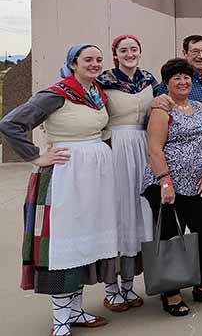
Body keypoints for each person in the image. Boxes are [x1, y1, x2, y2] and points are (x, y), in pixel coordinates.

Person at [1, 45, 119, 335]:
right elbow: (10, 124)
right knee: (64, 243)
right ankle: (60, 320)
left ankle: (76, 311)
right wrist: (36, 156)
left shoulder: (97, 93)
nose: (94, 64)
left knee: (85, 241)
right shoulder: (55, 93)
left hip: (94, 176)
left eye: (98, 59)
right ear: (73, 64)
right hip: (66, 176)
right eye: (87, 59)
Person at [143, 58, 202, 315]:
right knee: (170, 236)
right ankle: (172, 291)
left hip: (199, 182)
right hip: (168, 186)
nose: (183, 81)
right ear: (166, 83)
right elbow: (154, 148)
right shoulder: (161, 109)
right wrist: (165, 181)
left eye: (186, 77)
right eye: (176, 78)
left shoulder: (198, 106)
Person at [152, 35, 202, 284]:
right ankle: (173, 283)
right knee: (174, 228)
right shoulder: (163, 93)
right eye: (195, 51)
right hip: (173, 173)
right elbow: (154, 137)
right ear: (185, 52)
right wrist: (164, 179)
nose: (201, 56)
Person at [96, 35, 156, 311]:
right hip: (115, 147)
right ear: (115, 54)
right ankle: (111, 288)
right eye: (124, 50)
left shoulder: (149, 80)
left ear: (140, 52)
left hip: (143, 147)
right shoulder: (103, 81)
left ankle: (129, 286)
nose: (129, 53)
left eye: (134, 48)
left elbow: (172, 94)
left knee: (139, 210)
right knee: (115, 210)